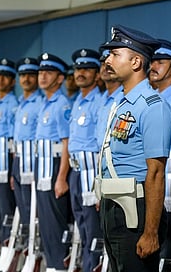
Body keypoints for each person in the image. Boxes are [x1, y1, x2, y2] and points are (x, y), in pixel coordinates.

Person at [98, 25, 171, 272]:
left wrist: (151, 232)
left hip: (137, 208)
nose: (108, 60)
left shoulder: (153, 107)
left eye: (115, 54)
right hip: (113, 204)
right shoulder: (122, 103)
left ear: (136, 62)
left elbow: (156, 173)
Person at [67, 48, 104, 272]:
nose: (81, 73)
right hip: (76, 172)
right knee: (81, 225)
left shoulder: (99, 102)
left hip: (91, 170)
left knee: (93, 228)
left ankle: (94, 267)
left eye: (87, 69)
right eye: (78, 69)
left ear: (96, 74)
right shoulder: (77, 102)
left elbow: (100, 145)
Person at [35, 52, 71, 271]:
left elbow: (67, 143)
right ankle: (51, 264)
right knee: (45, 222)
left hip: (55, 168)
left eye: (49, 72)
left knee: (55, 223)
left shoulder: (61, 104)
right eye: (41, 72)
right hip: (43, 168)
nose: (43, 76)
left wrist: (61, 178)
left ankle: (59, 265)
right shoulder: (45, 103)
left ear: (60, 78)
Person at [149, 39, 171, 262]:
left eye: (160, 62)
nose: (153, 66)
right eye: (152, 61)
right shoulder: (151, 100)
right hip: (152, 184)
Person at [11, 57, 42, 247]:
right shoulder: (20, 102)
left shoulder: (40, 103)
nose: (26, 79)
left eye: (31, 75)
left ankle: (36, 249)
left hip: (34, 162)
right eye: (23, 75)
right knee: (23, 208)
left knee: (33, 210)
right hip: (19, 160)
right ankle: (26, 246)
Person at [0, 58, 18, 245]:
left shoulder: (12, 104)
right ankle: (1, 238)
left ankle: (8, 240)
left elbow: (14, 140)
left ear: (12, 81)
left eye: (5, 76)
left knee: (6, 202)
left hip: (6, 158)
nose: (0, 79)